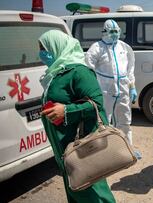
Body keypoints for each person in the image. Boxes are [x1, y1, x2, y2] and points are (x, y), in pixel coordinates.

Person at [39, 30, 116, 203]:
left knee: (93, 191)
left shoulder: (79, 71)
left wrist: (66, 111)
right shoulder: (56, 73)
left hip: (81, 145)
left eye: (44, 48)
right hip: (64, 145)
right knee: (75, 187)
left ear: (57, 46)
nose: (41, 53)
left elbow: (96, 103)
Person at [85, 19, 136, 145]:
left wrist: (132, 86)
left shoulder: (124, 47)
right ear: (104, 32)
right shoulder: (97, 48)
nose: (115, 34)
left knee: (125, 119)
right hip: (105, 90)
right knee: (104, 119)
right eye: (112, 31)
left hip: (123, 88)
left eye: (117, 31)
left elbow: (130, 69)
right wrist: (92, 89)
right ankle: (107, 150)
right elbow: (88, 68)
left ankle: (128, 148)